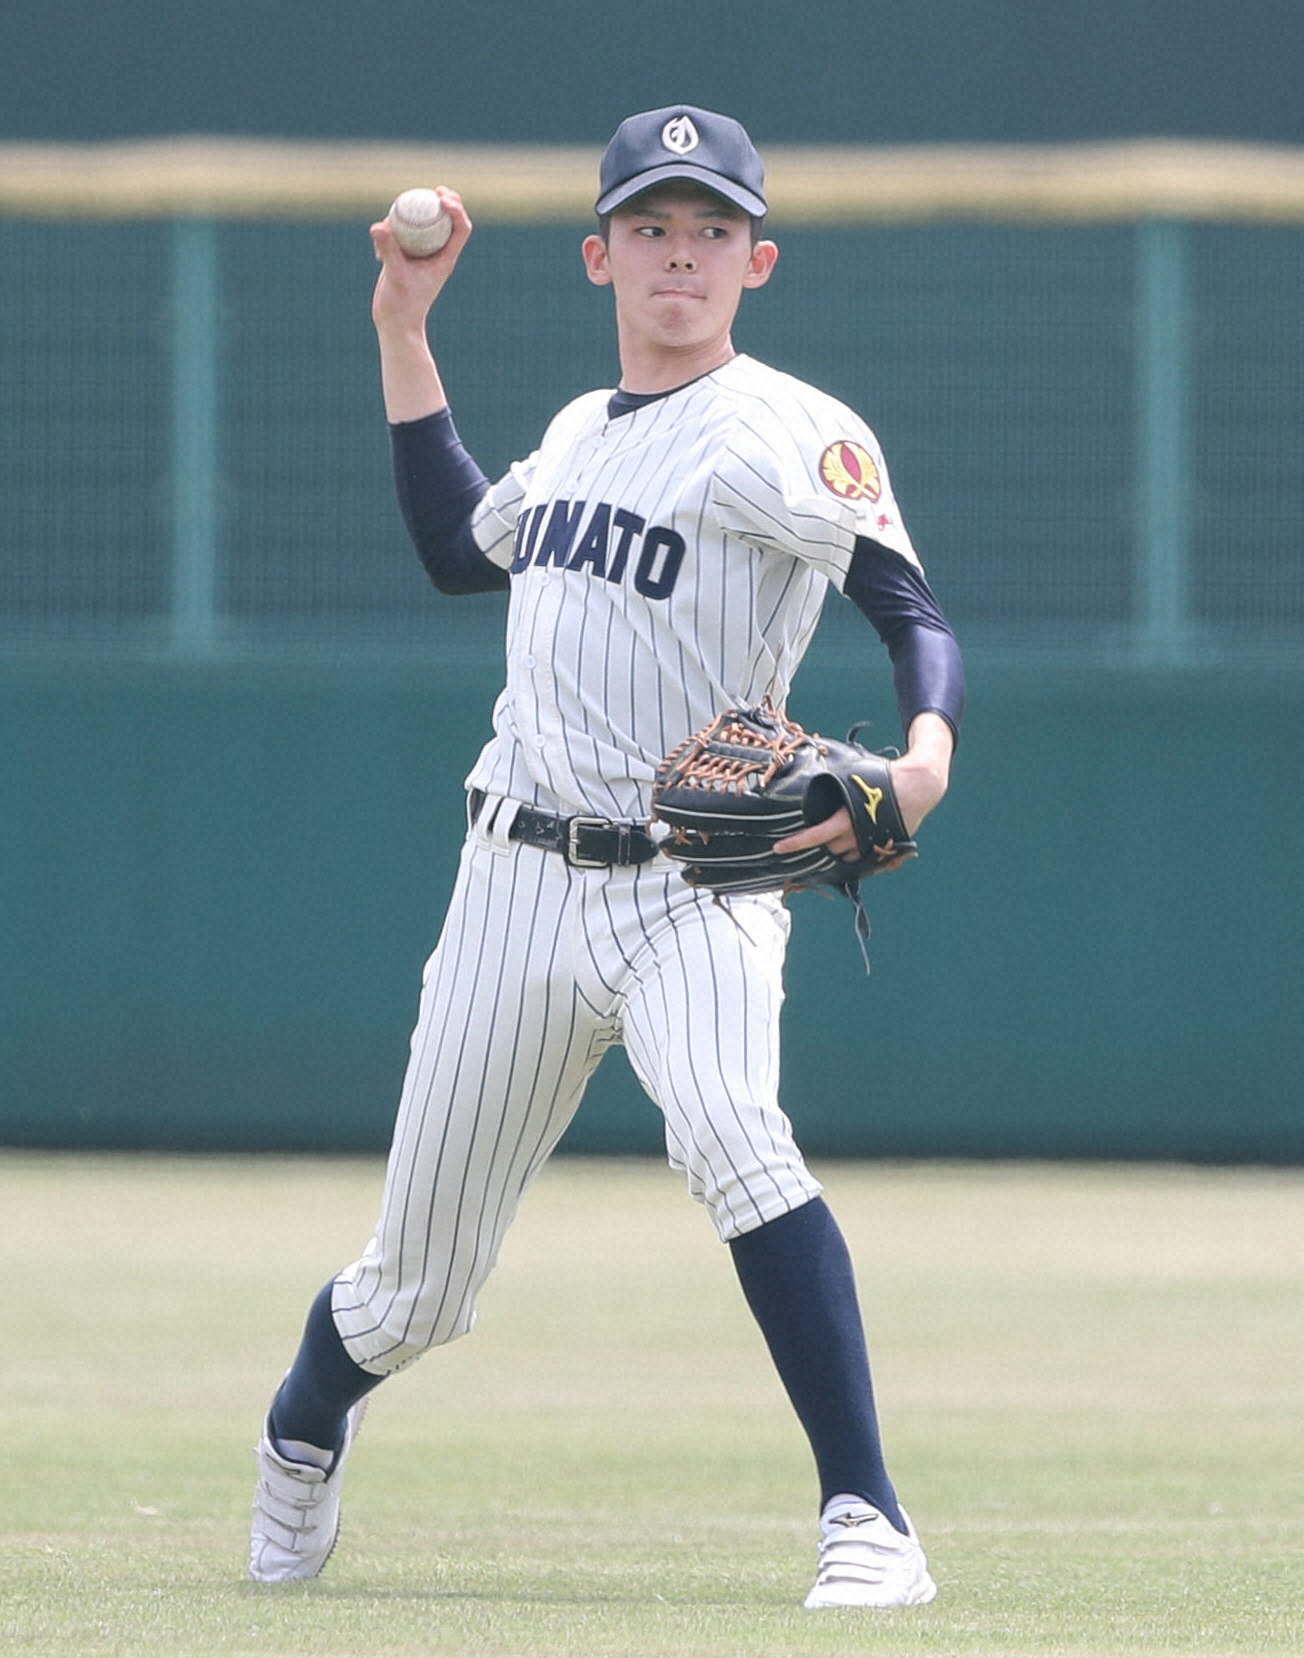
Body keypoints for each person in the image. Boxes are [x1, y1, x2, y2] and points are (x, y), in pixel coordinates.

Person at [249, 104, 964, 1610]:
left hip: (695, 879)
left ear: (757, 262)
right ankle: (302, 1430)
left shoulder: (788, 428)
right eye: (652, 228)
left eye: (712, 232)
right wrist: (401, 323)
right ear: (600, 257)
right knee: (414, 1290)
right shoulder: (578, 433)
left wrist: (925, 754)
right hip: (515, 876)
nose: (681, 256)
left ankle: (869, 1519)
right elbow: (458, 546)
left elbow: (912, 609)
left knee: (732, 1128)